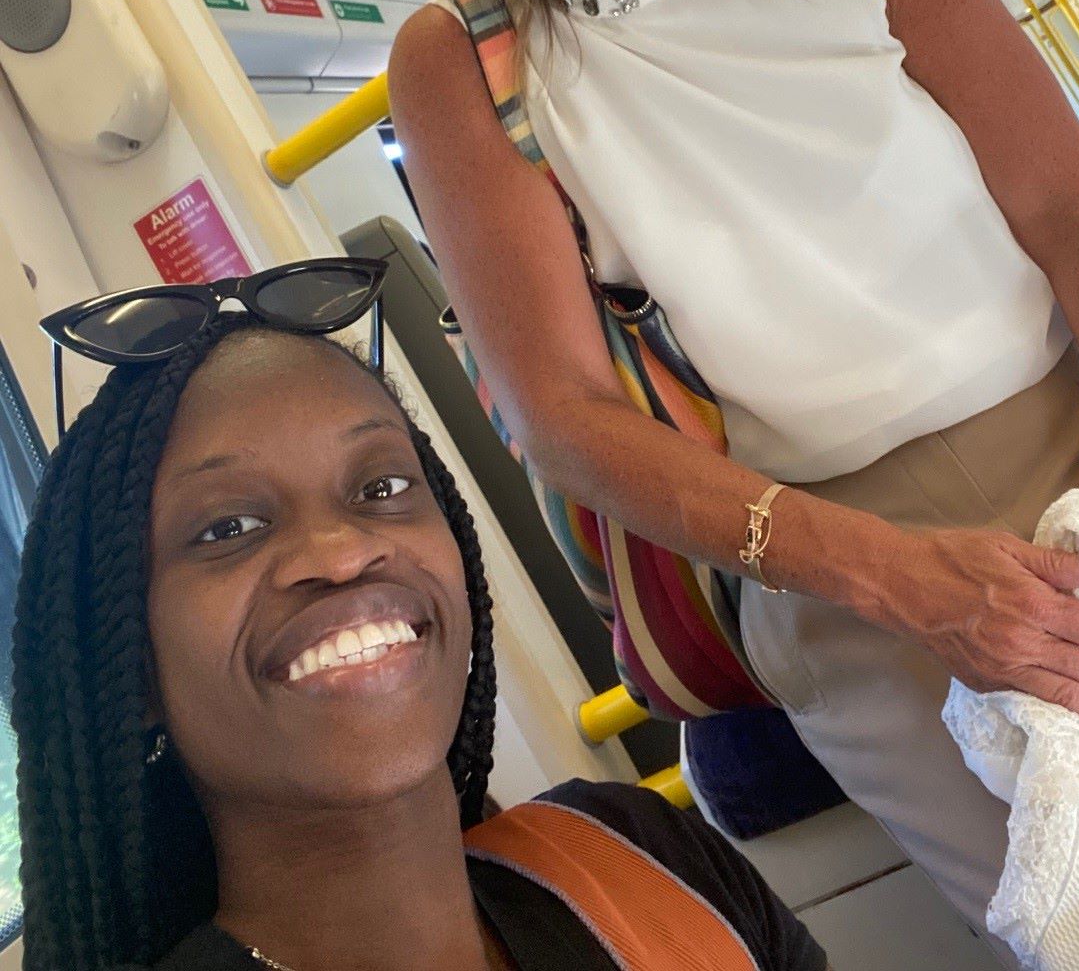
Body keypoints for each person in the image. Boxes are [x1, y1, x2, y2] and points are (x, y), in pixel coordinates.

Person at [353, 0, 1079, 960]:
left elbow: (1070, 211)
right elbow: (564, 418)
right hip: (842, 574)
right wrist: (900, 582)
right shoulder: (458, 66)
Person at [12, 292, 827, 971]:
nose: (342, 553)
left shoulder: (643, 852)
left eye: (381, 486)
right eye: (228, 528)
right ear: (133, 677)